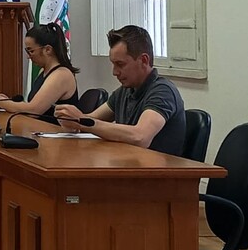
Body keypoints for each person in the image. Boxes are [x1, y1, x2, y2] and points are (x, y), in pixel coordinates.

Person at [54, 25, 186, 156]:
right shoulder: (125, 91)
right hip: (128, 163)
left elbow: (140, 137)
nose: (114, 72)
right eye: (113, 64)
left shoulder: (163, 91)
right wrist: (72, 120)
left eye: (120, 64)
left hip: (158, 168)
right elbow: (92, 119)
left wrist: (82, 121)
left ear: (144, 60)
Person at [0, 23, 79, 121]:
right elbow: (31, 105)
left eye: (31, 51)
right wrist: (5, 101)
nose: (28, 56)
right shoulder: (43, 71)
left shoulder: (61, 75)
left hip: (55, 130)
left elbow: (33, 111)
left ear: (48, 50)